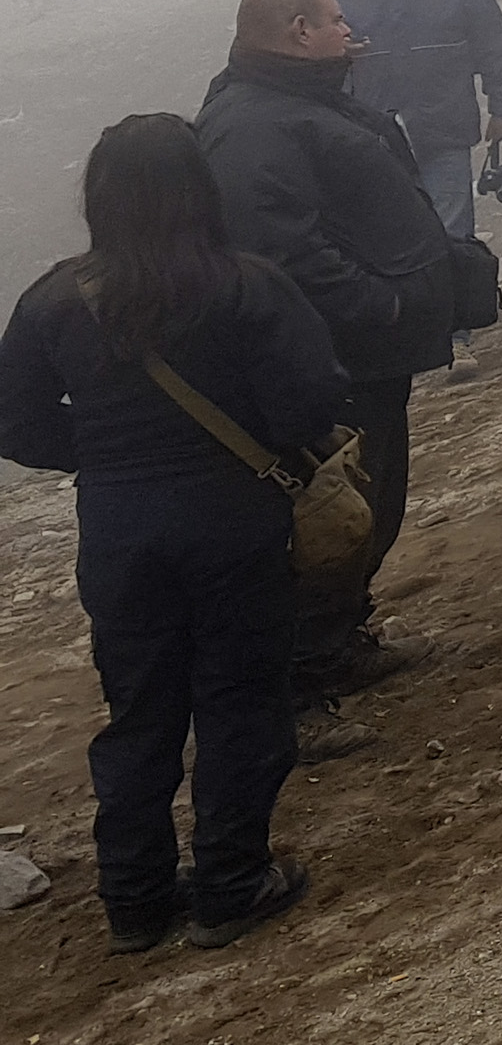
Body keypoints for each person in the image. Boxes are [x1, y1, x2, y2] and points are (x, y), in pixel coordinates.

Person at [0, 115, 350, 954]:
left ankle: (135, 903)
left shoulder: (54, 297)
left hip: (118, 528)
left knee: (139, 709)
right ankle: (232, 883)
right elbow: (310, 404)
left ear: (99, 198)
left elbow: (13, 424)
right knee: (238, 699)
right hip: (235, 517)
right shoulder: (246, 284)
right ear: (201, 190)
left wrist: (101, 452)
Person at [193, 0, 455, 759]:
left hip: (368, 356)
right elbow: (281, 251)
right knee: (325, 515)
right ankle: (296, 686)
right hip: (327, 360)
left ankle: (339, 642)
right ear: (298, 31)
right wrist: (383, 304)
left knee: (370, 499)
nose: (350, 30)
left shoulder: (306, 100)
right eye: (335, 20)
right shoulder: (251, 126)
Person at [317, 0, 502, 375]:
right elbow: (305, 57)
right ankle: (398, 342)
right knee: (374, 243)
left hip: (443, 128)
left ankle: (454, 342)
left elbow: (493, 43)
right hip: (365, 140)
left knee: (451, 233)